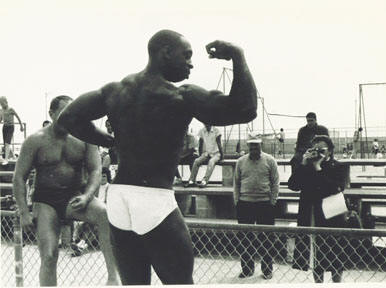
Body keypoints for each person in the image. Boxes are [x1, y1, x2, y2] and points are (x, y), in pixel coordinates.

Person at [56, 29, 258, 285]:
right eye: (186, 56)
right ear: (165, 52)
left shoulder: (115, 91)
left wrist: (111, 141)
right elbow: (246, 109)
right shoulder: (180, 95)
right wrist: (238, 56)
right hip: (153, 198)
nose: (191, 63)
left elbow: (69, 118)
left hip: (119, 198)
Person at [12, 95, 119, 285]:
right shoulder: (36, 140)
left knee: (104, 213)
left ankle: (113, 278)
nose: (68, 117)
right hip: (46, 201)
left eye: (72, 113)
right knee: (50, 255)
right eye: (63, 113)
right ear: (51, 114)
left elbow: (95, 170)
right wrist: (23, 211)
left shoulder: (85, 138)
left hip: (75, 197)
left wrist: (87, 196)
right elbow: (19, 176)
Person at [288, 135, 348, 283]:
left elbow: (336, 188)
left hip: (332, 214)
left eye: (322, 149)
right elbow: (293, 185)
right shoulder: (306, 166)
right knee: (316, 255)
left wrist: (318, 168)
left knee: (336, 254)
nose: (318, 153)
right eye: (315, 149)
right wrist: (303, 163)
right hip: (312, 214)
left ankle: (336, 283)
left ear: (330, 151)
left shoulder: (338, 166)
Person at [233, 135, 280, 279]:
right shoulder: (240, 162)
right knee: (245, 238)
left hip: (264, 204)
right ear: (248, 147)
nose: (254, 148)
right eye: (251, 146)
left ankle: (267, 270)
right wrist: (237, 200)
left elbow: (275, 182)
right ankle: (247, 269)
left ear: (261, 146)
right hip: (245, 203)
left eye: (257, 146)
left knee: (266, 238)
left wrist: (272, 201)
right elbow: (236, 182)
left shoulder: (270, 160)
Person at [71, 167, 113, 257]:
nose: (102, 178)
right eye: (101, 176)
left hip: (106, 212)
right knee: (89, 222)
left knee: (94, 223)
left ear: (108, 177)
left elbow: (108, 203)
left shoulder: (110, 187)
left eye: (104, 176)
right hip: (95, 212)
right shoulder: (95, 187)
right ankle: (81, 244)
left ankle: (81, 244)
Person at [187, 123, 223, 188]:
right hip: (207, 153)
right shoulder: (202, 131)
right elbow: (200, 144)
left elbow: (219, 144)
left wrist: (222, 156)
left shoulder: (217, 131)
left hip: (216, 153)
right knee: (196, 161)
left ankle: (204, 181)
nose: (206, 125)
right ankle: (191, 181)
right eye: (205, 123)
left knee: (211, 162)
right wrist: (200, 156)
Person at [1, 96, 24, 162]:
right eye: (1, 104)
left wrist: (21, 126)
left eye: (3, 103)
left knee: (7, 143)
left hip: (10, 127)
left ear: (6, 102)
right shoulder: (1, 110)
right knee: (5, 143)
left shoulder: (11, 109)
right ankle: (13, 156)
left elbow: (18, 117)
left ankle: (6, 159)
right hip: (4, 127)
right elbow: (0, 119)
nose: (2, 105)